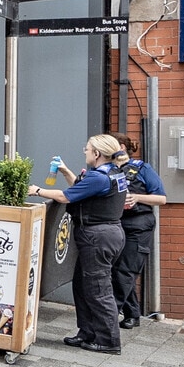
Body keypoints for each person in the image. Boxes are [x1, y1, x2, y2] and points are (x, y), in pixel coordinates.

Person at [28, 134, 129, 354]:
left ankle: (108, 341)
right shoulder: (111, 173)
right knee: (83, 286)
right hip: (102, 234)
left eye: (87, 148)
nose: (84, 151)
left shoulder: (100, 177)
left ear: (97, 153)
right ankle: (88, 333)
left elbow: (66, 197)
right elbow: (81, 188)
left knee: (98, 289)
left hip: (98, 236)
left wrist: (37, 191)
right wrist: (65, 170)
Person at [112, 135, 168, 328]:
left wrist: (137, 197)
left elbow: (161, 198)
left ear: (120, 147)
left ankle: (107, 318)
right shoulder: (109, 169)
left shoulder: (143, 168)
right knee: (118, 271)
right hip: (116, 224)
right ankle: (132, 314)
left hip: (138, 225)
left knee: (125, 271)